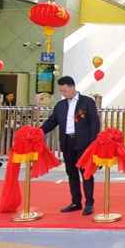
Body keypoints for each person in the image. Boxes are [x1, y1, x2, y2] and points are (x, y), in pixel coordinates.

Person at [40, 76, 100, 215]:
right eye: (61, 91)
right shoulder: (60, 105)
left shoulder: (87, 102)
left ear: (72, 86)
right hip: (67, 142)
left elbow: (94, 124)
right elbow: (52, 121)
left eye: (64, 90)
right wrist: (40, 131)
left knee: (86, 173)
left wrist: (93, 144)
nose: (63, 93)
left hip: (84, 143)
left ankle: (89, 203)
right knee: (71, 173)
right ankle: (76, 202)